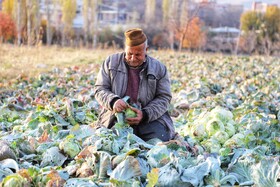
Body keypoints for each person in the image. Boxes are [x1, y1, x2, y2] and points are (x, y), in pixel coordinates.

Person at [94, 28, 175, 142]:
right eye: (129, 54)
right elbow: (100, 89)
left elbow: (164, 97)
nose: (133, 58)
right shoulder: (111, 62)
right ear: (125, 49)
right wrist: (114, 101)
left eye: (138, 54)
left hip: (148, 119)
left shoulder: (159, 68)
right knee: (108, 141)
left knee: (161, 140)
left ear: (146, 50)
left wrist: (145, 114)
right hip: (116, 117)